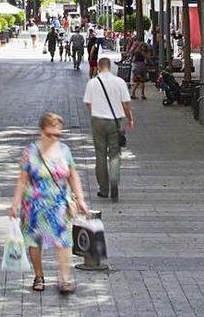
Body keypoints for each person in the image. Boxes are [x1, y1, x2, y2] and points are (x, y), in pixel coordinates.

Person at [9, 112, 89, 294]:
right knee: (35, 242)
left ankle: (65, 278)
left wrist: (81, 199)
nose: (54, 138)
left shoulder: (65, 151)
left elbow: (73, 175)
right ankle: (39, 276)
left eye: (57, 134)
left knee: (63, 242)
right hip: (34, 206)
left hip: (60, 204)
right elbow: (22, 180)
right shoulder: (30, 152)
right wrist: (15, 204)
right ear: (41, 132)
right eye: (49, 134)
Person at [83, 57, 133, 201]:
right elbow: (126, 104)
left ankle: (104, 189)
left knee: (100, 154)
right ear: (110, 67)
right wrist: (130, 118)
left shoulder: (92, 83)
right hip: (116, 121)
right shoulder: (119, 82)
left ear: (98, 67)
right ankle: (114, 180)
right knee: (115, 153)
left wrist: (98, 109)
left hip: (98, 120)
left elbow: (88, 104)